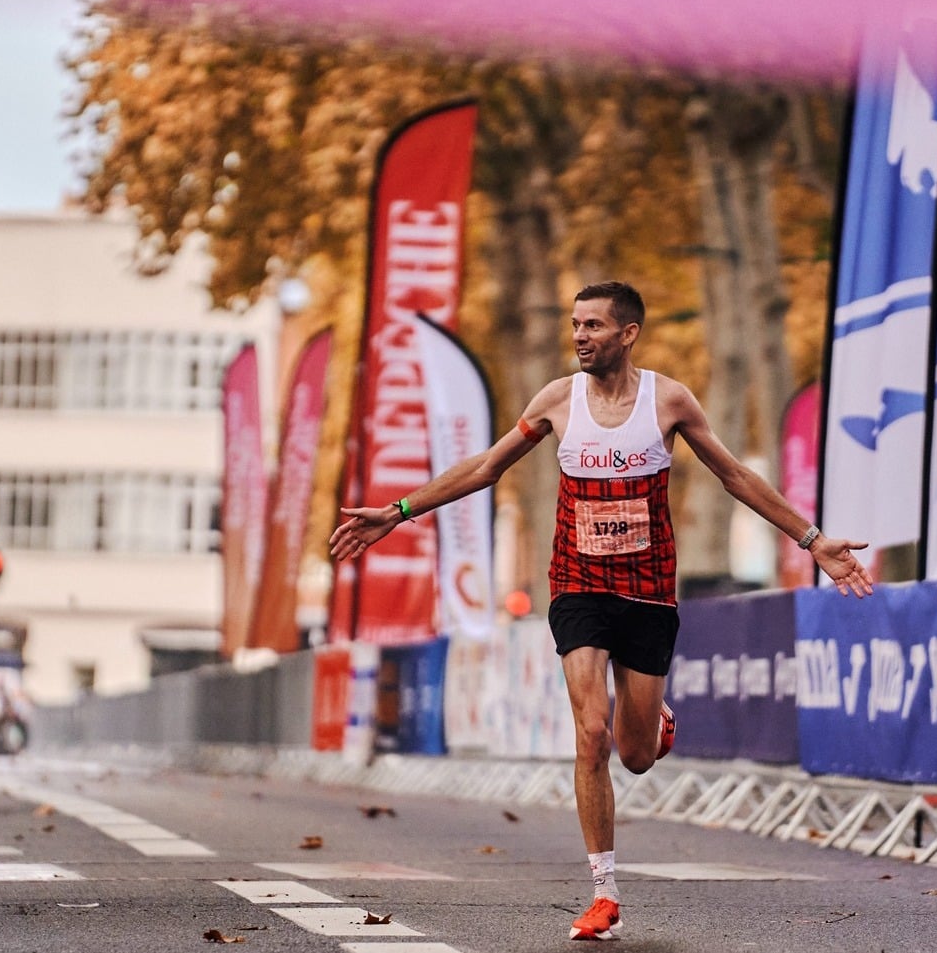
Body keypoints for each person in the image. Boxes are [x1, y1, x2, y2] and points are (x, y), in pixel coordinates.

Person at [331, 280, 872, 941]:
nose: (579, 336)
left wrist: (814, 541)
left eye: (592, 325)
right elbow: (486, 468)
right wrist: (398, 510)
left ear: (628, 333)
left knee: (635, 754)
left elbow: (735, 476)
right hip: (578, 584)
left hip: (647, 590)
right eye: (575, 324)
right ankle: (603, 891)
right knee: (591, 733)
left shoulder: (668, 401)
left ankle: (654, 721)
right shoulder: (557, 401)